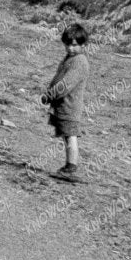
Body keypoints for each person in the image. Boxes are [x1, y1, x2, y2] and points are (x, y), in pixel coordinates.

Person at [43, 21, 90, 181]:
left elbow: (66, 84)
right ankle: (69, 165)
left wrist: (50, 95)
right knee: (67, 135)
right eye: (68, 45)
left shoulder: (79, 61)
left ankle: (71, 167)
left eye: (75, 45)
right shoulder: (71, 58)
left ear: (83, 45)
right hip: (64, 105)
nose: (70, 48)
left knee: (71, 136)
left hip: (70, 106)